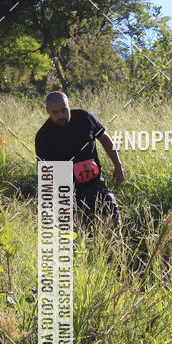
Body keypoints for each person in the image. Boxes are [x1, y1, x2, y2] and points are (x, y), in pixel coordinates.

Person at [35, 92, 125, 249]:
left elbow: (104, 138)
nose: (61, 115)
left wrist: (118, 166)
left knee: (114, 227)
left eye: (64, 110)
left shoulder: (84, 118)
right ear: (47, 111)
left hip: (95, 185)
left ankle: (119, 267)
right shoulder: (43, 136)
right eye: (55, 113)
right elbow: (47, 176)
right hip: (66, 192)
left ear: (70, 104)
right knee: (76, 243)